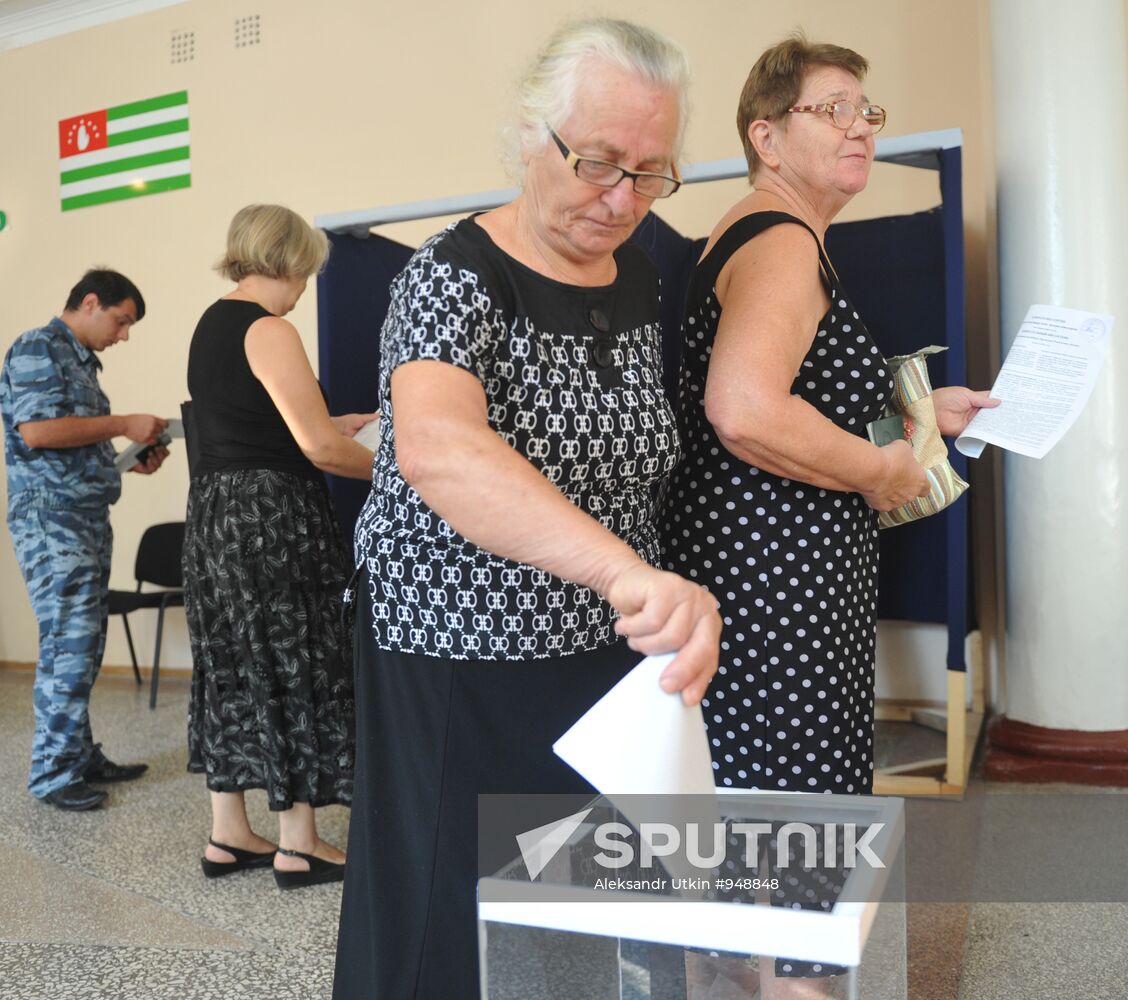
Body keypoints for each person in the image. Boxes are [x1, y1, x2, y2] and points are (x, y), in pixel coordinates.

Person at [333, 18, 721, 1000]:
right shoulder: (451, 276)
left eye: (651, 171)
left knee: (581, 918)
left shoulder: (638, 275)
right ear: (527, 138)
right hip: (461, 658)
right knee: (451, 925)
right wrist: (622, 570)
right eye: (596, 162)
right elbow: (440, 448)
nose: (623, 197)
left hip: (603, 667)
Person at [662, 36, 998, 795]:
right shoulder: (780, 240)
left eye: (867, 111)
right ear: (767, 136)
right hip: (771, 589)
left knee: (781, 807)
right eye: (834, 109)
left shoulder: (782, 232)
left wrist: (919, 409)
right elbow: (743, 409)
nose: (861, 128)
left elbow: (796, 393)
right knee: (790, 810)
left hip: (780, 580)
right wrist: (884, 471)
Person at [183, 204, 376, 889]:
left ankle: (228, 833)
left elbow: (261, 423)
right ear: (291, 260)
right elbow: (317, 448)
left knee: (232, 660)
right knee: (298, 659)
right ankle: (299, 844)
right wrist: (406, 470)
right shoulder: (271, 328)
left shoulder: (212, 323)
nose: (305, 287)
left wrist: (340, 422)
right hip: (273, 518)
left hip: (214, 515)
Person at [1, 269, 167, 812]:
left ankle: (78, 753)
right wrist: (123, 423)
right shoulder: (36, 347)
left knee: (86, 644)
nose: (123, 336)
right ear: (90, 302)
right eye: (121, 321)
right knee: (67, 645)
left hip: (87, 515)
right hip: (51, 519)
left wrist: (128, 461)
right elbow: (38, 432)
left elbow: (72, 443)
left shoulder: (82, 365)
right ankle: (51, 774)